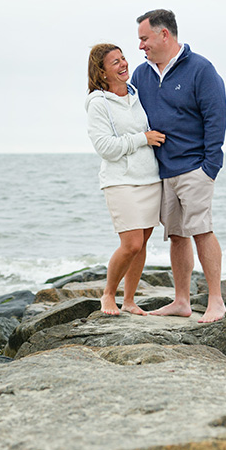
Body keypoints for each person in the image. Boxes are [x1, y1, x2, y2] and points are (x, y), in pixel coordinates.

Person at [131, 9, 226, 323]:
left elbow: (216, 117)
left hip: (195, 167)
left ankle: (216, 301)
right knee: (176, 235)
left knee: (201, 231)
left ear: (164, 34)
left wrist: (210, 165)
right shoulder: (141, 75)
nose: (141, 46)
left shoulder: (200, 69)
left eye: (144, 38)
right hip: (161, 170)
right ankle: (181, 300)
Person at [86, 43, 165, 316]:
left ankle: (129, 300)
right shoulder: (98, 104)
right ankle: (108, 295)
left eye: (123, 59)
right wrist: (142, 139)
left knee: (141, 244)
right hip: (120, 180)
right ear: (102, 72)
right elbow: (105, 147)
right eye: (115, 63)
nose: (123, 65)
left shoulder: (136, 94)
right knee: (130, 243)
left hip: (150, 178)